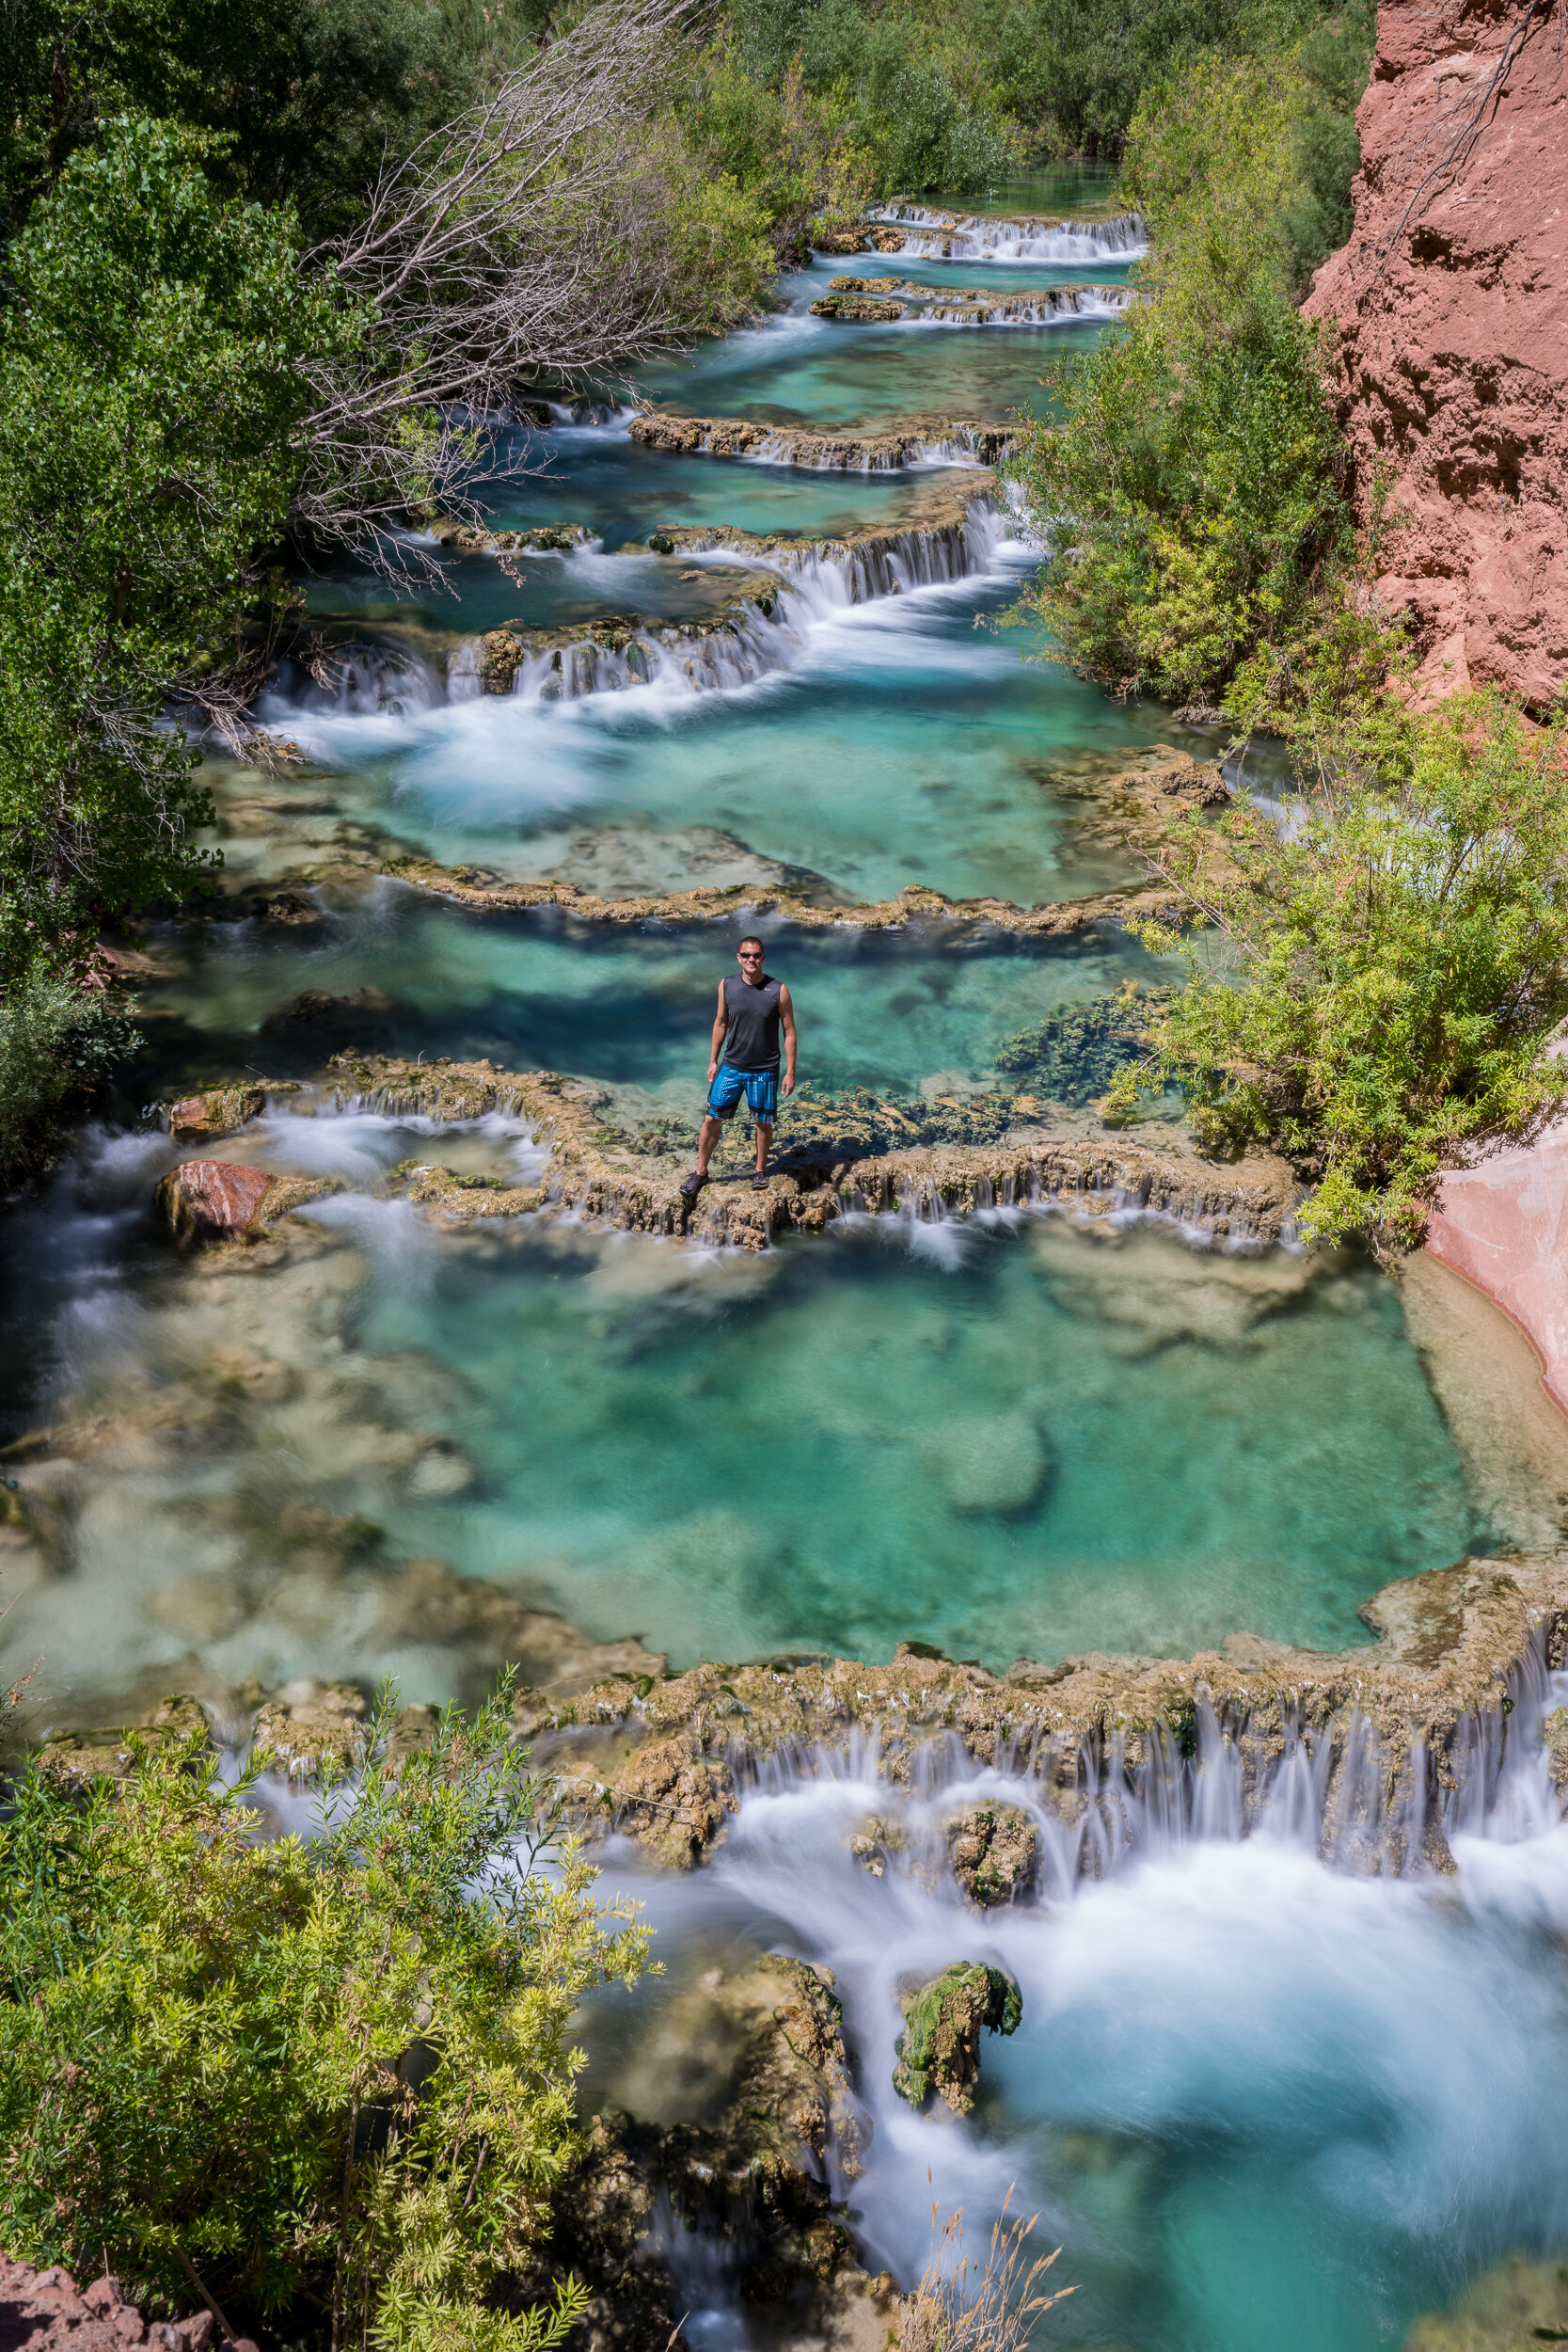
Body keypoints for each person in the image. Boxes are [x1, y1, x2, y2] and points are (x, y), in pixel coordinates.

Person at [680, 936, 797, 1196]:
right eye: (746, 955)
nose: (751, 960)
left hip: (765, 1069)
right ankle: (700, 1172)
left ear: (763, 958)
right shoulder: (727, 985)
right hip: (731, 1065)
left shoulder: (778, 990)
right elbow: (720, 1023)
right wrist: (712, 1060)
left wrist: (790, 1071)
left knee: (762, 1122)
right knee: (711, 1119)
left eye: (756, 955)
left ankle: (759, 1170)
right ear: (738, 957)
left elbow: (789, 1032)